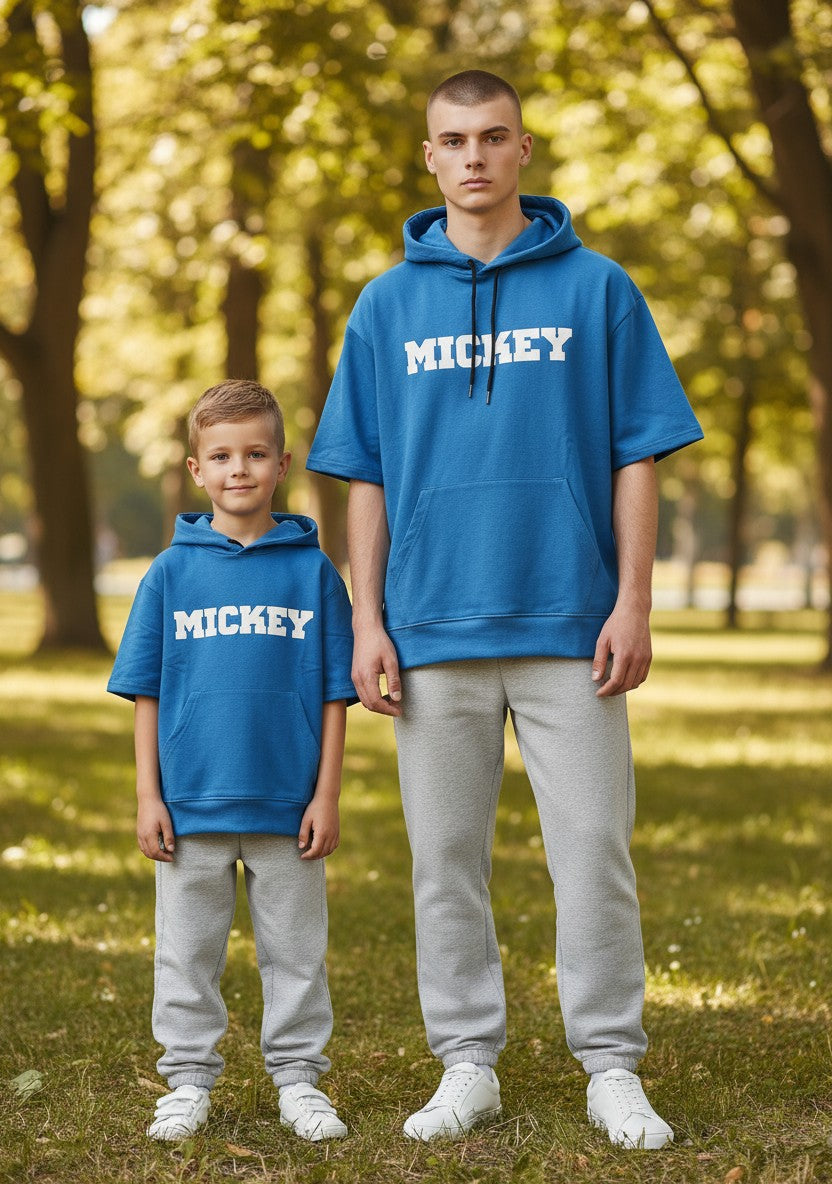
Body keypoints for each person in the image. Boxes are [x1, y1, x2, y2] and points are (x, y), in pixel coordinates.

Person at [307, 70, 703, 1149]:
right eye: (452, 140)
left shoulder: (600, 288)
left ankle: (612, 1062)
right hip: (431, 624)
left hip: (571, 624)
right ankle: (467, 1059)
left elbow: (636, 455)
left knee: (593, 848)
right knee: (444, 858)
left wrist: (633, 600)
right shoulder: (385, 303)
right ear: (428, 158)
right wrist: (366, 618)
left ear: (525, 149)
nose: (473, 156)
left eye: (492, 137)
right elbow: (365, 474)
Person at [108, 379, 356, 1143]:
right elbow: (145, 691)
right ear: (196, 469)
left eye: (254, 454)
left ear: (282, 464)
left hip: (288, 808)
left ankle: (299, 1080)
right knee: (185, 954)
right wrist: (149, 797)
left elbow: (333, 696)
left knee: (296, 955)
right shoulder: (168, 576)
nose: (238, 469)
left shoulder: (312, 573)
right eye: (221, 455)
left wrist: (327, 796)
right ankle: (186, 1080)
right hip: (191, 807)